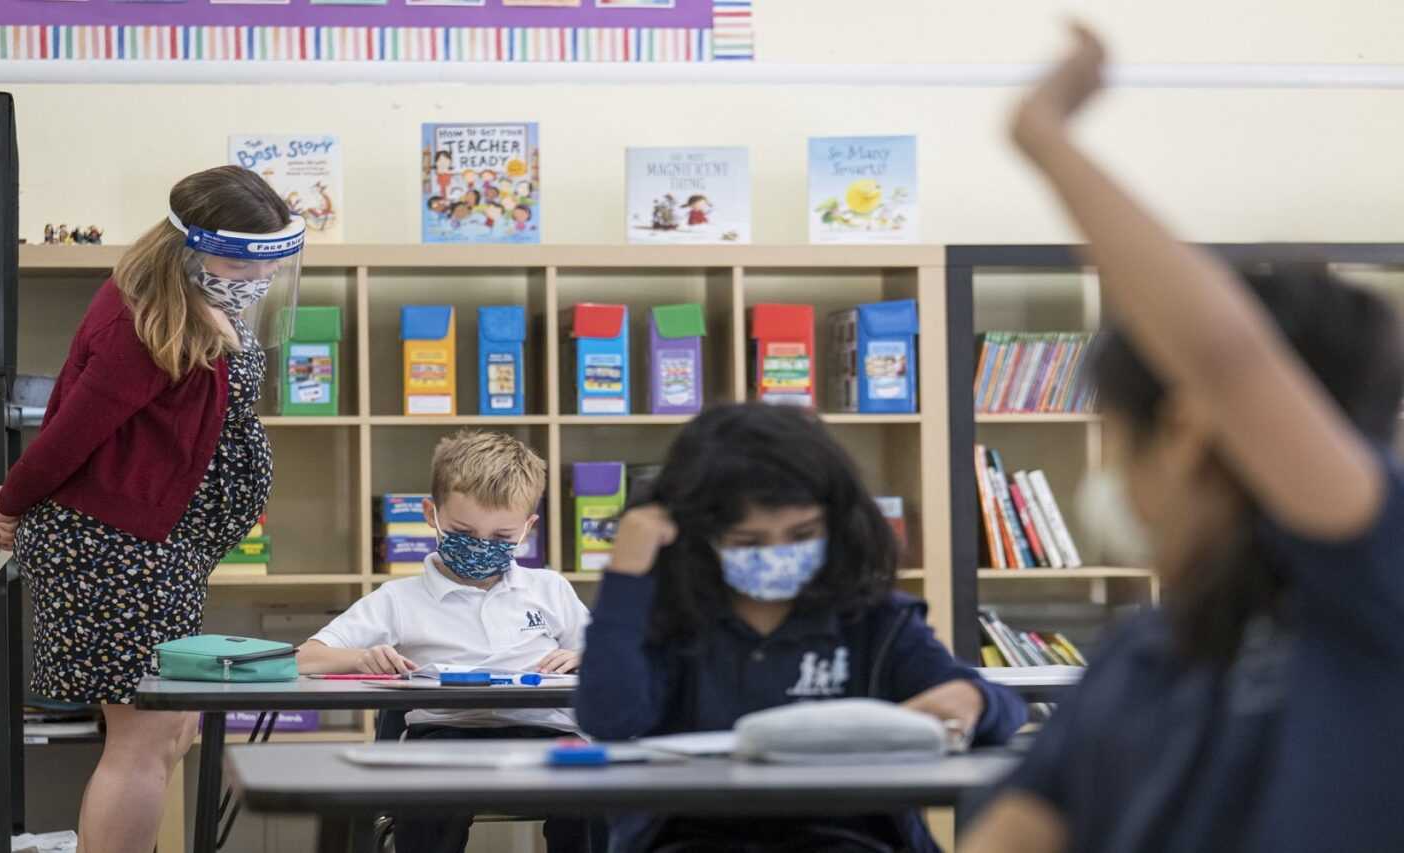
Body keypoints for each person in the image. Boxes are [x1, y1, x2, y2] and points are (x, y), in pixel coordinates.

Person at [960, 25, 1404, 853]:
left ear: (1188, 430)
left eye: (1119, 438)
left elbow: (1229, 360)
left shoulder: (1375, 592)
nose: (1117, 483)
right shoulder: (1142, 656)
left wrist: (1046, 138)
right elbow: (1018, 831)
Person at [0, 165, 303, 853]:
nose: (257, 276)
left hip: (157, 551)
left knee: (171, 730)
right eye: (242, 260)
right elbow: (72, 428)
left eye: (269, 261)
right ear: (190, 245)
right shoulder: (144, 318)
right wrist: (12, 500)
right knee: (143, 739)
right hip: (117, 551)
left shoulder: (196, 297)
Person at [577, 403, 1026, 853]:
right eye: (748, 541)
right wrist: (626, 576)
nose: (777, 554)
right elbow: (609, 717)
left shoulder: (874, 618)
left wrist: (973, 699)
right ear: (698, 535)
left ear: (837, 522)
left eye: (802, 534)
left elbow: (1004, 712)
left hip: (850, 838)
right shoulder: (667, 617)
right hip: (695, 839)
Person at [297, 431, 600, 853]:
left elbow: (613, 660)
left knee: (595, 794)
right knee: (428, 799)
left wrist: (586, 657)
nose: (481, 547)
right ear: (432, 514)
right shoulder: (398, 599)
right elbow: (305, 658)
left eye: (501, 537)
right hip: (445, 737)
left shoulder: (549, 589)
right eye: (463, 531)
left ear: (528, 528)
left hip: (547, 735)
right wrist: (362, 657)